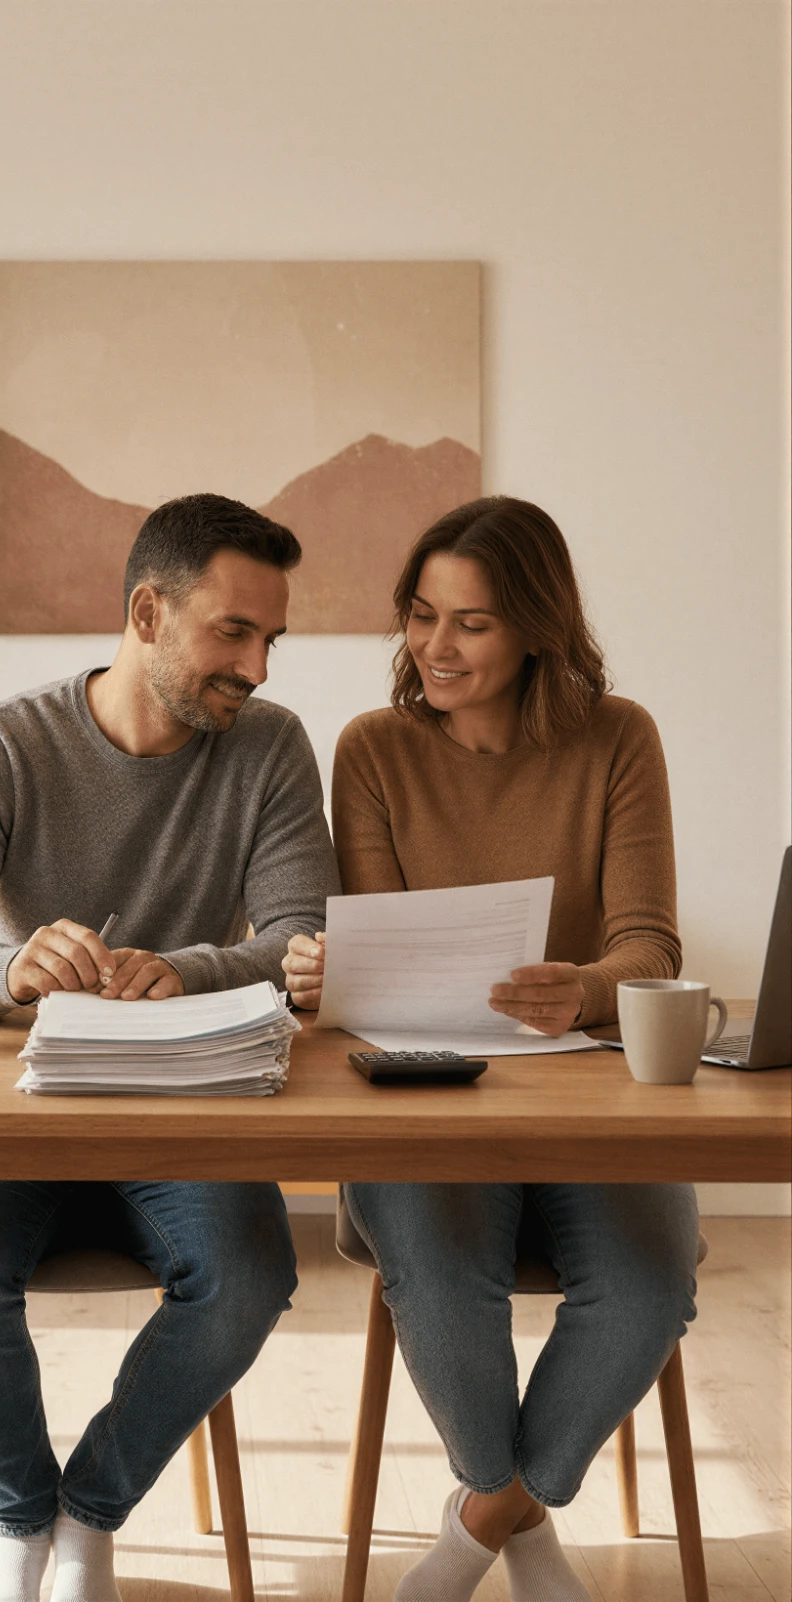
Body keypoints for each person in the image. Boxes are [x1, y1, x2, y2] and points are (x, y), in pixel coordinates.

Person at [0, 493, 339, 1602]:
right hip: (24, 1104)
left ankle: (87, 1513)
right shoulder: (3, 743)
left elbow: (294, 937)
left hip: (188, 1104)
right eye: (233, 632)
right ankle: (17, 1522)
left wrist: (184, 967)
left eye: (270, 639)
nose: (258, 667)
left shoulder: (269, 749)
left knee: (250, 1273)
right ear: (145, 612)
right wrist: (5, 968)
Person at [281, 496, 695, 1602]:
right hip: (419, 1084)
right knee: (440, 1272)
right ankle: (520, 1519)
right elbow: (377, 948)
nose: (434, 646)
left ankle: (482, 1522)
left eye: (469, 623)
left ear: (532, 627)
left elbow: (647, 943)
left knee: (649, 1286)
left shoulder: (619, 737)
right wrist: (332, 973)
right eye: (420, 616)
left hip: (587, 1084)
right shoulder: (372, 750)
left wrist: (588, 990)